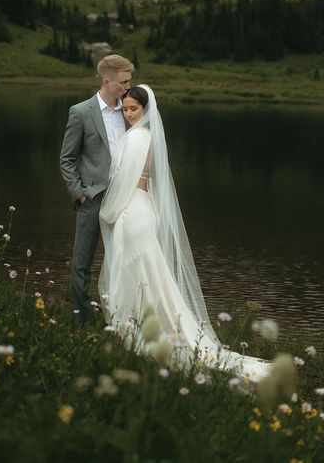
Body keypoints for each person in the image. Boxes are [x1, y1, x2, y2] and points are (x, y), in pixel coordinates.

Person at [98, 84, 270, 381]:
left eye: (133, 109)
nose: (127, 114)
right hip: (145, 208)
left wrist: (107, 213)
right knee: (147, 270)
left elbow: (123, 183)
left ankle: (136, 326)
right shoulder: (151, 137)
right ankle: (146, 321)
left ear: (145, 109)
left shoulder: (136, 137)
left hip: (132, 209)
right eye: (124, 109)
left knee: (136, 268)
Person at [60, 54, 134, 322]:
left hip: (125, 198)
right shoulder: (80, 112)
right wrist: (79, 194)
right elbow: (66, 159)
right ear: (106, 80)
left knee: (123, 260)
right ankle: (82, 319)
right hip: (92, 197)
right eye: (123, 82)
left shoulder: (130, 110)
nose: (128, 87)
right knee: (82, 263)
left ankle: (118, 318)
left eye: (130, 80)